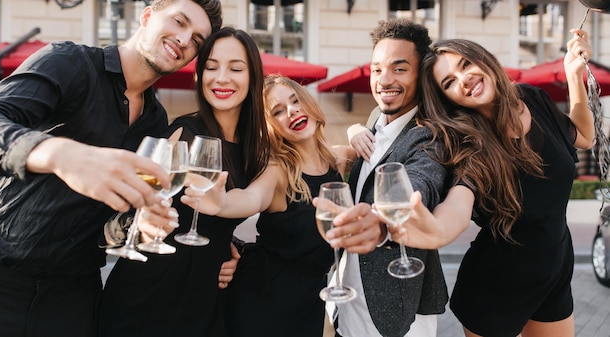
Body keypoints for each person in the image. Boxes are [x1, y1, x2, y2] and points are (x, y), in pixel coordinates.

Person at [0, 0, 222, 337]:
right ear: (146, 16)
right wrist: (61, 154)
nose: (185, 39)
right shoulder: (70, 62)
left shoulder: (155, 122)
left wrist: (138, 226)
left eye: (197, 40)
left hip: (74, 297)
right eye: (179, 21)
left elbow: (112, 221)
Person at [386, 30, 594, 337]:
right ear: (448, 99)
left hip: (555, 268)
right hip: (497, 284)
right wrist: (437, 231)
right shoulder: (470, 144)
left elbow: (585, 137)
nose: (464, 79)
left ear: (483, 60)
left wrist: (573, 75)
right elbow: (459, 200)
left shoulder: (531, 98)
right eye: (449, 83)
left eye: (466, 64)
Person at [98, 26, 270, 337]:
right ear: (199, 75)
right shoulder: (182, 134)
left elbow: (221, 221)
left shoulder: (253, 148)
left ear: (253, 77)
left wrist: (232, 249)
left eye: (235, 68)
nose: (221, 78)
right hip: (148, 297)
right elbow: (124, 214)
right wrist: (141, 222)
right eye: (212, 67)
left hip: (204, 301)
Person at [323, 17, 450, 337]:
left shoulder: (431, 136)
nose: (384, 79)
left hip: (397, 313)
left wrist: (380, 219)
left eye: (399, 68)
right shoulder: (375, 118)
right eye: (377, 69)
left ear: (422, 74)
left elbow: (422, 180)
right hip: (349, 300)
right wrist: (354, 131)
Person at [218, 75, 354, 337]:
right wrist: (219, 201)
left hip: (310, 301)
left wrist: (357, 131)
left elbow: (371, 143)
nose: (292, 111)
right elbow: (251, 198)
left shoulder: (336, 160)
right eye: (278, 111)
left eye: (295, 101)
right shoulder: (277, 170)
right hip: (263, 300)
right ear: (270, 127)